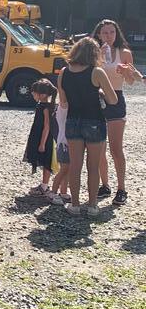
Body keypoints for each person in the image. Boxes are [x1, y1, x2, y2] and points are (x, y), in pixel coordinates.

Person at [57, 37, 118, 217]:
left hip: (73, 120)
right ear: (94, 54)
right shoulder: (96, 72)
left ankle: (75, 204)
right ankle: (92, 205)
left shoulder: (63, 72)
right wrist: (99, 92)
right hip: (94, 121)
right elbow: (113, 99)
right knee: (93, 166)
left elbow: (63, 102)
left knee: (75, 165)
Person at [93, 19, 143, 206]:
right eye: (105, 33)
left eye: (112, 32)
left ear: (117, 33)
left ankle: (122, 188)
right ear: (99, 34)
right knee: (99, 148)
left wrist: (124, 72)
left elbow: (131, 82)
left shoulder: (124, 53)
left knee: (116, 148)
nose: (108, 36)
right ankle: (104, 185)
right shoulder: (94, 51)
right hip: (97, 99)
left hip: (116, 98)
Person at [23, 79, 58, 198]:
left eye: (34, 92)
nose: (32, 94)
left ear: (42, 94)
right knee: (43, 160)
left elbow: (47, 127)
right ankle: (44, 184)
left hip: (44, 138)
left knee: (46, 161)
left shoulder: (46, 108)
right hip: (38, 136)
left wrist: (42, 143)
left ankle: (44, 185)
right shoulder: (41, 105)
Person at [50, 99, 70, 205]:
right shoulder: (62, 109)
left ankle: (63, 191)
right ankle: (53, 192)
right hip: (64, 145)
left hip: (66, 144)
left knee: (67, 170)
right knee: (64, 170)